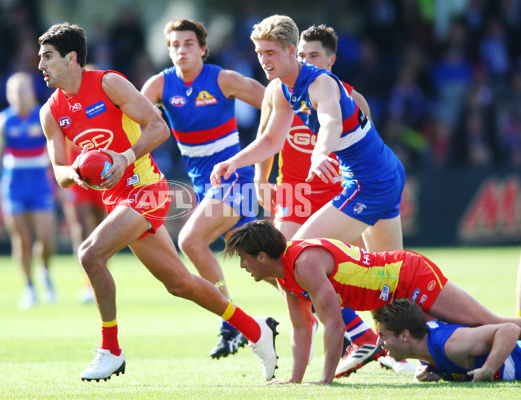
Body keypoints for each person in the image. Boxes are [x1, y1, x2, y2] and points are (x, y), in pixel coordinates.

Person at [37, 22, 278, 382]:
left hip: (147, 187)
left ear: (71, 58)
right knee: (179, 283)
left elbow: (158, 127)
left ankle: (111, 350)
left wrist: (123, 157)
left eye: (47, 57)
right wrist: (75, 169)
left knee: (89, 253)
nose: (40, 65)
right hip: (117, 198)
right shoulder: (51, 112)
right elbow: (58, 170)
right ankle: (256, 329)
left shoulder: (108, 84)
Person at [252, 23, 392, 377]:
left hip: (337, 191)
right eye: (301, 54)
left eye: (313, 55)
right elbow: (266, 136)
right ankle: (348, 332)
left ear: (331, 60)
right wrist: (259, 178)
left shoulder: (345, 96)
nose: (305, 60)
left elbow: (360, 146)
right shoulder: (282, 90)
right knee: (285, 267)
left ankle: (388, 342)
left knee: (374, 269)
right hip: (295, 190)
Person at [223, 219, 521, 385]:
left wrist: (325, 381)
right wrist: (294, 381)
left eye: (244, 260)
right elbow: (302, 328)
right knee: (474, 330)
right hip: (395, 289)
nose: (243, 267)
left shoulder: (305, 265)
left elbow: (335, 325)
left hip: (409, 276)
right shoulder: (286, 275)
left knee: (486, 323)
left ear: (263, 257)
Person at [141, 19, 266, 359]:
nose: (181, 50)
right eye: (174, 45)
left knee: (190, 241)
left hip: (236, 181)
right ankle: (342, 324)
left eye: (188, 44)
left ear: (202, 49)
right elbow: (132, 113)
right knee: (268, 265)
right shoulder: (160, 84)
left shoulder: (223, 79)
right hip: (207, 187)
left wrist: (277, 144)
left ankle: (231, 323)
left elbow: (275, 103)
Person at [0, 71, 57, 310]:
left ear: (32, 92)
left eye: (23, 90)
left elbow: (57, 148)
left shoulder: (43, 115)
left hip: (40, 182)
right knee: (21, 239)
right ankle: (29, 287)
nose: (18, 95)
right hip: (13, 185)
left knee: (46, 238)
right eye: (14, 91)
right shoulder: (2, 121)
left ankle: (44, 270)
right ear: (7, 94)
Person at [372, 298, 521, 382]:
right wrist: (436, 372)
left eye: (383, 336)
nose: (378, 342)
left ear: (405, 335)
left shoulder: (452, 345)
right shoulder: (423, 350)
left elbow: (509, 330)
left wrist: (489, 368)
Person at [60, 139, 107, 303]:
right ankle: (88, 283)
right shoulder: (59, 115)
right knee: (80, 229)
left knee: (102, 231)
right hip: (74, 175)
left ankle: (101, 277)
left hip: (101, 171)